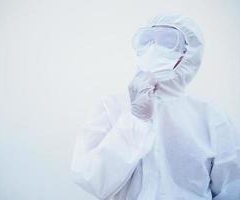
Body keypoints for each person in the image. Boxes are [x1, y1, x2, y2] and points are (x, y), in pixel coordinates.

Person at [70, 13, 240, 200]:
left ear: (189, 52)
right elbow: (91, 178)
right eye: (148, 40)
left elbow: (232, 189)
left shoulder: (212, 117)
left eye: (168, 41)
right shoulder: (111, 107)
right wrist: (135, 121)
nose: (154, 48)